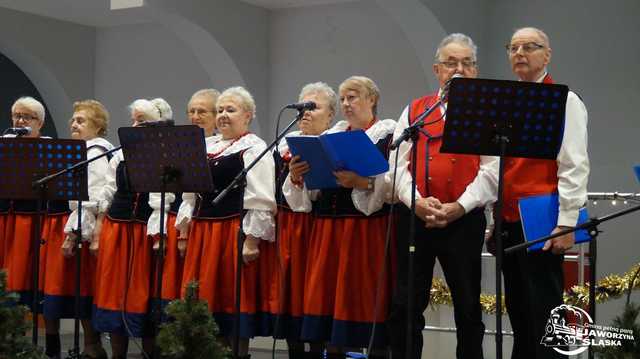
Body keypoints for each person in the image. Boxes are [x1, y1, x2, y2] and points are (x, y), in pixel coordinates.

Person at [386, 33, 498, 359]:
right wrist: (416, 201)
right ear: (438, 70)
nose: (458, 69)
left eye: (466, 63)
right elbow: (396, 164)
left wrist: (458, 207)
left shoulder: (487, 113)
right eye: (451, 63)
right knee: (405, 305)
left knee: (467, 308)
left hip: (463, 220)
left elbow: (491, 171)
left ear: (475, 70)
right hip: (415, 218)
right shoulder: (416, 110)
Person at [285, 76, 396, 357]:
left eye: (353, 97)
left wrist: (362, 182)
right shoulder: (330, 136)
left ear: (372, 100)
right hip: (327, 230)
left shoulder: (388, 135)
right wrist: (299, 176)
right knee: (327, 305)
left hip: (365, 230)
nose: (346, 103)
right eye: (343, 98)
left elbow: (394, 185)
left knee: (363, 302)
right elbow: (311, 196)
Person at [498, 27, 589, 359]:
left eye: (530, 47)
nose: (520, 53)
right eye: (514, 47)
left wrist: (567, 223)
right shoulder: (504, 101)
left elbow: (574, 165)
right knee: (519, 315)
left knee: (545, 316)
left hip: (543, 221)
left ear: (547, 55)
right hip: (509, 220)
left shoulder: (565, 100)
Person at [176, 86, 276, 358]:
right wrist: (184, 232)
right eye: (219, 110)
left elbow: (261, 199)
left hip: (231, 231)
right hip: (203, 232)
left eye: (230, 110)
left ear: (248, 115)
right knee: (203, 299)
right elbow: (190, 194)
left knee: (231, 300)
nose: (222, 115)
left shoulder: (254, 148)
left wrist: (252, 240)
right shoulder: (206, 146)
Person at [37, 100, 113, 359]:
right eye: (73, 119)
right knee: (62, 288)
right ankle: (56, 348)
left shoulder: (97, 152)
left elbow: (95, 197)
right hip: (67, 222)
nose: (73, 124)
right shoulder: (79, 149)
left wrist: (79, 232)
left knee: (84, 289)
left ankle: (92, 346)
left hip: (83, 227)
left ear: (98, 125)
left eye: (81, 120)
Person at [92, 98, 165, 358]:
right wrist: (98, 231)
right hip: (117, 230)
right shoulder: (120, 155)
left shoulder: (162, 153)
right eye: (134, 120)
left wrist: (159, 235)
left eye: (141, 121)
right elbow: (108, 192)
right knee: (113, 293)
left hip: (144, 232)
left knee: (144, 294)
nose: (135, 125)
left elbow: (161, 200)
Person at [272, 82, 336, 358]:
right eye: (303, 107)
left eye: (315, 106)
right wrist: (295, 177)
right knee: (293, 298)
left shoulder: (337, 142)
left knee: (320, 297)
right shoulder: (283, 147)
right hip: (291, 230)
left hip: (324, 229)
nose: (306, 112)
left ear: (331, 114)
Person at [1, 97, 47, 306]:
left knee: (23, 273)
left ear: (40, 123)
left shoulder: (48, 148)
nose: (20, 121)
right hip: (4, 217)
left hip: (31, 219)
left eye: (27, 117)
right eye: (17, 116)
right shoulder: (4, 143)